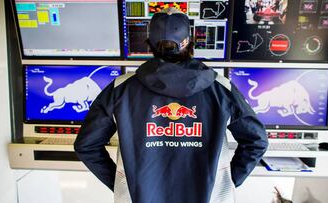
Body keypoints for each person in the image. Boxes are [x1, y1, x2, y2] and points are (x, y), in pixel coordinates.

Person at [74, 8, 268, 203]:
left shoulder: (120, 89)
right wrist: (227, 182)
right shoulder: (221, 88)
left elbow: (86, 146)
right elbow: (256, 141)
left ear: (150, 44)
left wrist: (123, 184)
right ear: (190, 42)